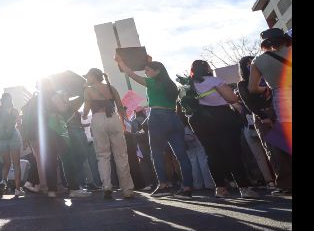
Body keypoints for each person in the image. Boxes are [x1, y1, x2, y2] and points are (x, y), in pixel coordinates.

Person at [116, 57, 194, 198]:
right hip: (174, 117)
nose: (146, 73)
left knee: (156, 153)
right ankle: (187, 187)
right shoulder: (172, 85)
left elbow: (131, 74)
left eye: (148, 70)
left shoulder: (152, 82)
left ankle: (163, 185)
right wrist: (147, 61)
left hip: (157, 117)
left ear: (157, 71)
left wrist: (121, 62)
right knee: (181, 155)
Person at [183, 60, 257, 198]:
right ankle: (244, 188)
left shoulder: (188, 85)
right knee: (232, 152)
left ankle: (220, 188)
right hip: (221, 117)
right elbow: (232, 98)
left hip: (199, 121)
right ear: (207, 68)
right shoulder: (214, 81)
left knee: (212, 154)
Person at [240, 48, 292, 195]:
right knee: (274, 151)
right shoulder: (243, 84)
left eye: (253, 63)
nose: (252, 66)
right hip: (263, 117)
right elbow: (249, 103)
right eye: (248, 65)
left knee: (286, 147)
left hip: (278, 113)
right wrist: (263, 117)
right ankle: (284, 184)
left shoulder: (268, 78)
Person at [82, 68, 135, 199]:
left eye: (88, 76)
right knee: (121, 155)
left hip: (98, 120)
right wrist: (126, 123)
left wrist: (83, 115)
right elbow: (121, 108)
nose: (87, 79)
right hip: (113, 119)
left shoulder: (88, 90)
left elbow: (85, 111)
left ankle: (107, 185)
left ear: (93, 76)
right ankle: (127, 188)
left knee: (103, 155)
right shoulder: (112, 88)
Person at [0, 93, 25, 197]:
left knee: (6, 164)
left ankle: (3, 182)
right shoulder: (14, 110)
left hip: (2, 139)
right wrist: (24, 139)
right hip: (13, 137)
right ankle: (17, 189)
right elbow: (20, 125)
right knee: (16, 164)